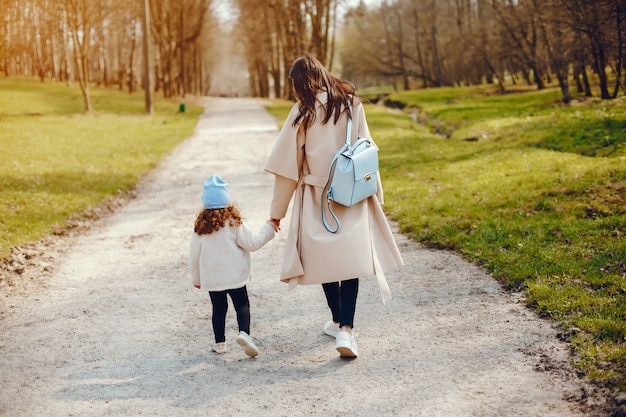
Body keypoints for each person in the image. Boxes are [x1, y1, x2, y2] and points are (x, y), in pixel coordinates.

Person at [264, 55, 404, 359]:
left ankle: (340, 321)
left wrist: (277, 213)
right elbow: (367, 148)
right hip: (352, 191)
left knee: (325, 259)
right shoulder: (351, 103)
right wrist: (375, 192)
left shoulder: (302, 111)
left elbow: (286, 169)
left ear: (301, 82)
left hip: (316, 195)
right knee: (350, 262)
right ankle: (345, 329)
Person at [190, 175, 277, 357]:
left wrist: (197, 279)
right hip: (235, 275)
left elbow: (194, 256)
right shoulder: (234, 222)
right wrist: (268, 228)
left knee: (219, 309)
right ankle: (244, 333)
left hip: (212, 277)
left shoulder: (200, 227)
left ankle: (220, 343)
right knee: (242, 304)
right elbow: (252, 243)